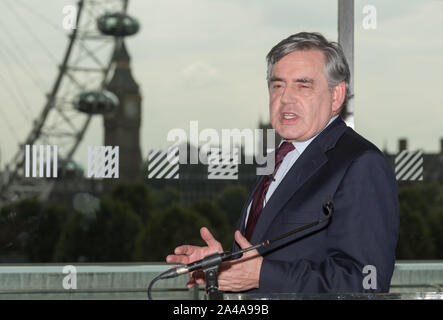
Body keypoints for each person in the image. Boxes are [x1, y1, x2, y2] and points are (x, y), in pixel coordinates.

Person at [166, 32, 399, 293]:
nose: (285, 98)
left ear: (336, 96)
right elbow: (266, 260)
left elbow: (367, 282)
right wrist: (224, 265)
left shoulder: (361, 164)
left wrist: (262, 275)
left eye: (303, 85)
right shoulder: (280, 157)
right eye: (278, 85)